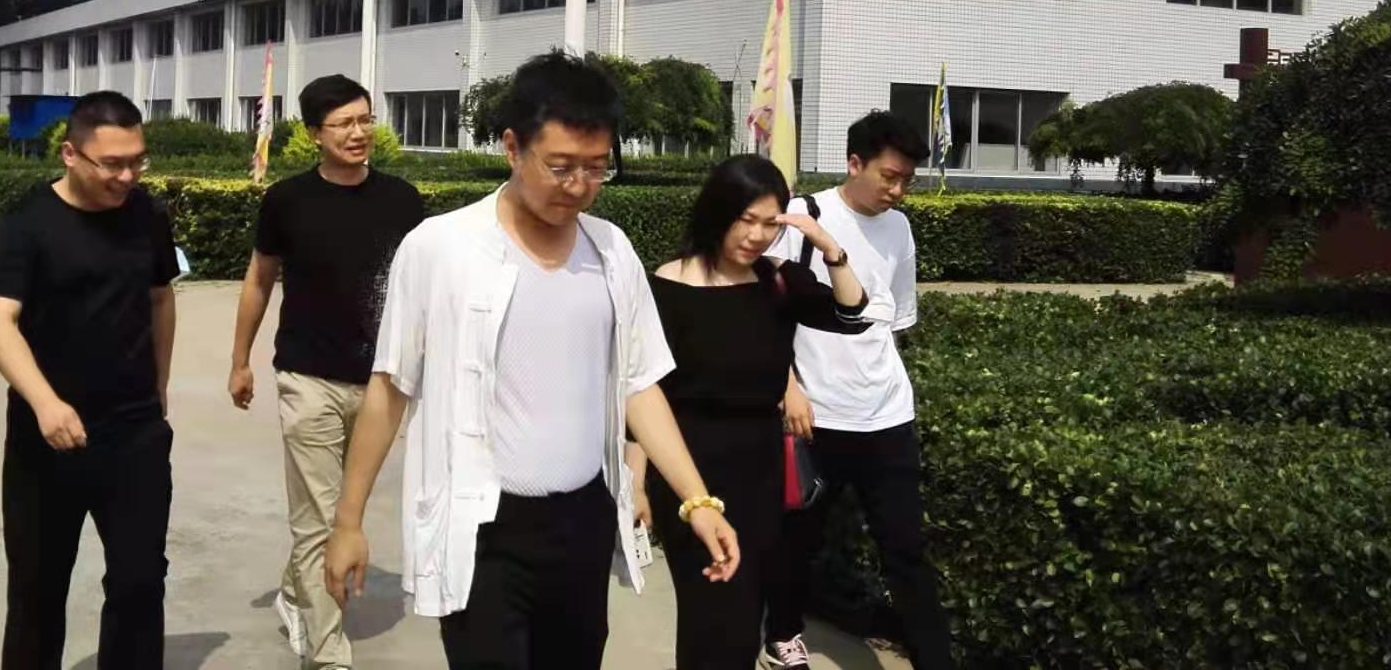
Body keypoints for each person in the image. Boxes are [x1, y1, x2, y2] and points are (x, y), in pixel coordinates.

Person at [323, 50, 741, 670]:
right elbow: (391, 387)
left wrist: (697, 500)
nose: (578, 187)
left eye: (596, 168)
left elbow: (639, 383)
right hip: (486, 530)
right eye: (561, 166)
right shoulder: (441, 248)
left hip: (582, 520)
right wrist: (348, 521)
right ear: (513, 147)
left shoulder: (611, 252)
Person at [629, 155, 871, 669]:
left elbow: (850, 314)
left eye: (770, 223)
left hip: (762, 475)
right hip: (690, 473)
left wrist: (830, 248)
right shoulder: (667, 286)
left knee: (742, 622)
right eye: (746, 220)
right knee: (711, 617)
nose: (758, 236)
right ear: (718, 212)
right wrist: (635, 480)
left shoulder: (779, 281)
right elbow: (646, 390)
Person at [227, 74, 425, 669]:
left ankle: (296, 595)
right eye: (343, 124)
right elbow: (259, 279)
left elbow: (420, 291)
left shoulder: (402, 200)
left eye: (365, 120)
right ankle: (327, 653)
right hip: (307, 377)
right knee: (319, 517)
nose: (358, 133)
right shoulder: (287, 201)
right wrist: (240, 360)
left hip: (381, 384)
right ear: (315, 133)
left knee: (344, 508)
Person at [0, 91, 180, 670]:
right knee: (38, 590)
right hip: (46, 441)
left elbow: (160, 299)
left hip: (134, 434)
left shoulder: (148, 214)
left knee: (140, 582)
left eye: (137, 161)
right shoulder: (27, 223)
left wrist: (159, 386)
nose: (127, 176)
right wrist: (45, 402)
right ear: (70, 154)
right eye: (112, 164)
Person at [759, 112, 954, 670]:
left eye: (906, 180)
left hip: (887, 414)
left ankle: (935, 659)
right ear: (854, 163)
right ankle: (783, 634)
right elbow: (763, 314)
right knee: (800, 537)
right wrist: (787, 386)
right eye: (889, 177)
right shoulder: (804, 216)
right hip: (815, 416)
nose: (898, 190)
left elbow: (894, 318)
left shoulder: (900, 228)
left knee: (906, 548)